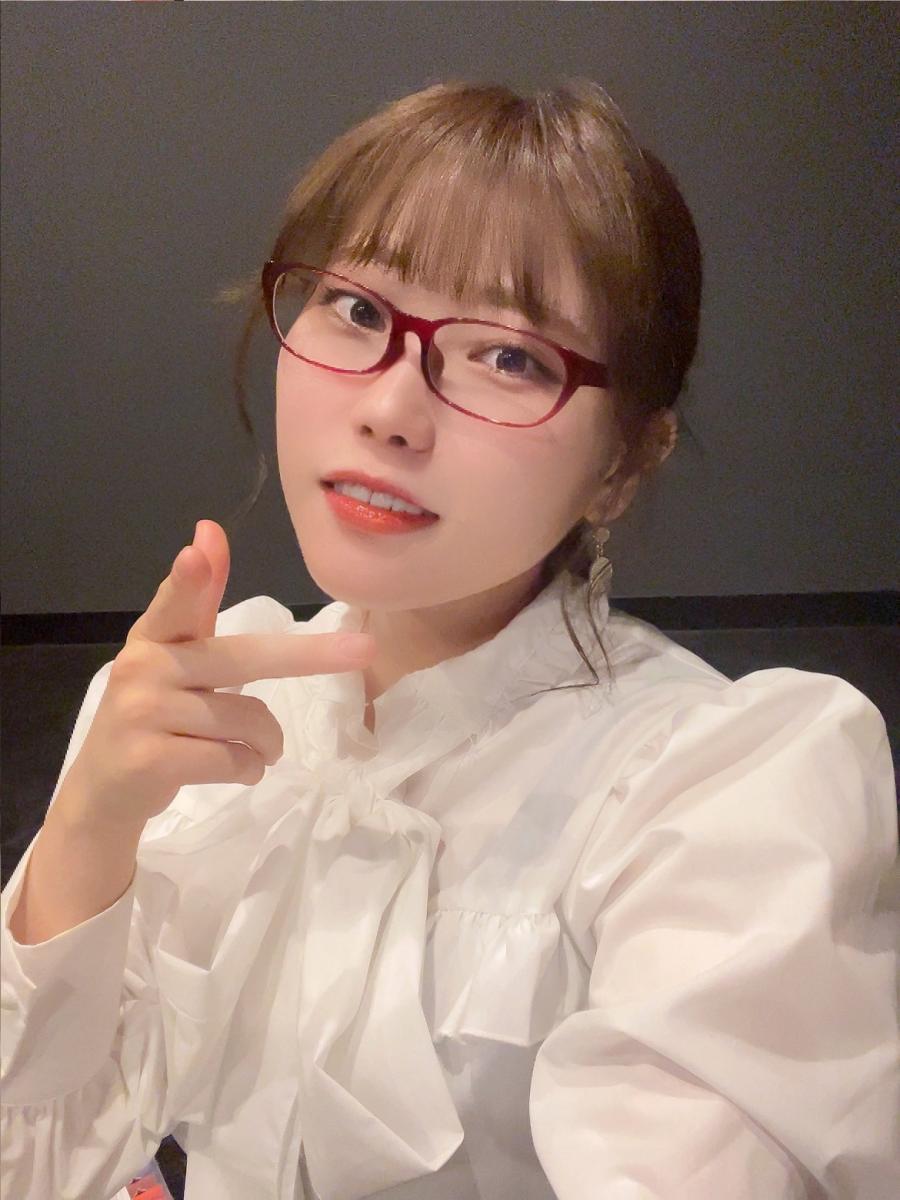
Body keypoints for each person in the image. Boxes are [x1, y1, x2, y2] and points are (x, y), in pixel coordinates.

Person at [1, 79, 897, 1200]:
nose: (390, 409)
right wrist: (86, 835)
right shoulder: (196, 707)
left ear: (623, 464)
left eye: (510, 357)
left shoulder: (720, 796)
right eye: (356, 308)